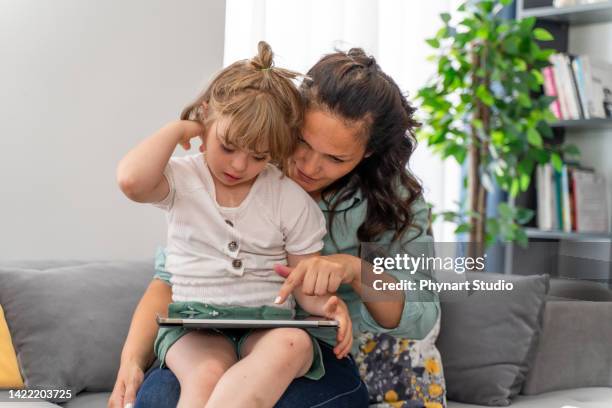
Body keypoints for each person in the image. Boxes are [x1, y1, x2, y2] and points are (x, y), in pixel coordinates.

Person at [108, 46, 440, 408]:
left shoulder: (394, 200)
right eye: (301, 142)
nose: (310, 167)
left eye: (335, 158)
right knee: (164, 398)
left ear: (367, 154)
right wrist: (131, 360)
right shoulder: (246, 160)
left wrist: (354, 271)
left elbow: (421, 315)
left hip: (303, 348)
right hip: (205, 337)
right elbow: (167, 279)